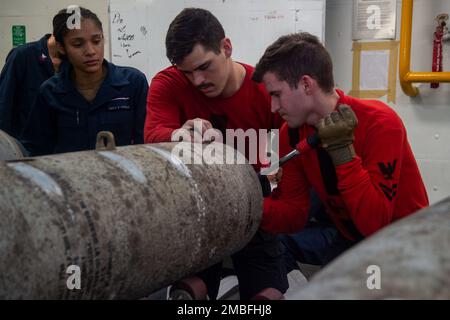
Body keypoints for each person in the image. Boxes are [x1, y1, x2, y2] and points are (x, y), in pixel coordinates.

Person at [252, 32, 429, 270]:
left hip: (407, 245)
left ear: (306, 84)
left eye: (276, 94)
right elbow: (294, 214)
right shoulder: (289, 133)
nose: (273, 107)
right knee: (277, 248)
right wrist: (247, 207)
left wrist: (343, 152)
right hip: (350, 240)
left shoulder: (381, 122)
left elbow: (374, 224)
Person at [144, 8, 288, 300]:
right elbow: (152, 135)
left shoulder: (264, 90)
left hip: (255, 210)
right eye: (187, 72)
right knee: (187, 292)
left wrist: (274, 182)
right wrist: (179, 136)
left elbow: (290, 153)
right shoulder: (169, 84)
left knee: (268, 293)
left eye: (204, 67)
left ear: (226, 47)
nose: (197, 80)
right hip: (196, 212)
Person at [22, 7, 147, 156]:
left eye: (96, 41)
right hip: (69, 176)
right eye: (77, 44)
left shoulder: (133, 83)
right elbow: (37, 150)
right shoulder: (50, 92)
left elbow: (145, 143)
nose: (90, 51)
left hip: (124, 175)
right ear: (61, 47)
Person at [0, 33, 62, 142]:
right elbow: (4, 101)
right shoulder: (22, 55)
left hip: (54, 145)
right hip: (21, 144)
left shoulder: (71, 62)